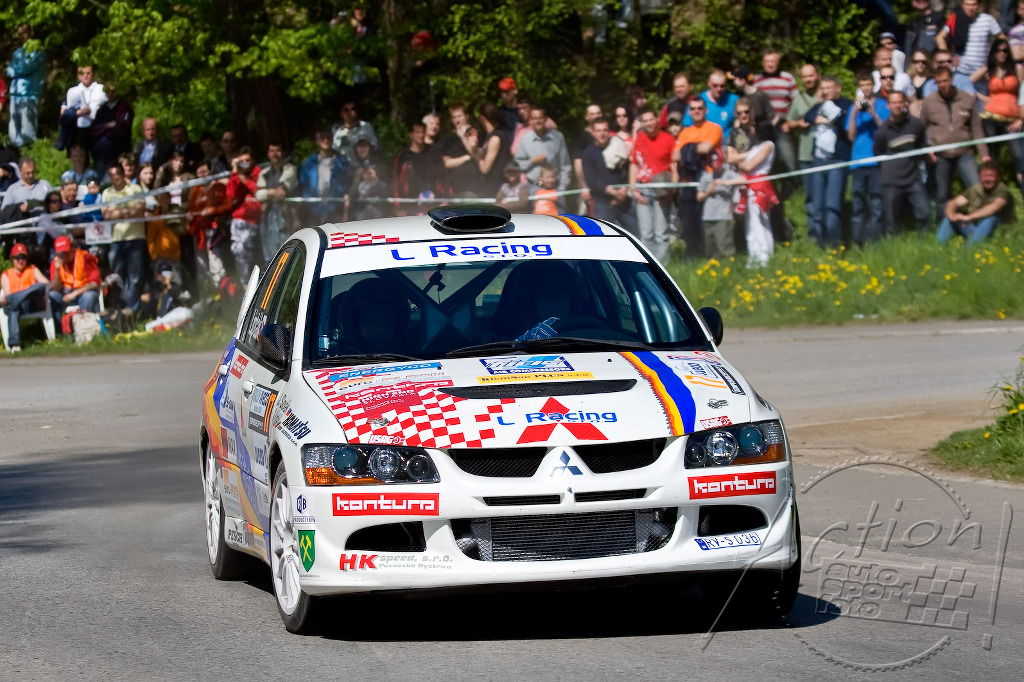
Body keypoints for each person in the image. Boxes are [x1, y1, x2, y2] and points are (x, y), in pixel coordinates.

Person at [920, 66, 989, 221]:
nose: (943, 85)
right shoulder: (929, 102)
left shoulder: (967, 99)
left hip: (964, 152)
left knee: (976, 186)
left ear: (951, 80)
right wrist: (927, 148)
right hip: (941, 155)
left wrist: (984, 154)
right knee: (942, 192)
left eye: (945, 81)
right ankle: (942, 224)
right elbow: (921, 128)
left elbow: (977, 128)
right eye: (939, 82)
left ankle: (978, 219)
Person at [804, 75, 853, 248]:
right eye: (822, 88)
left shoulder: (847, 104)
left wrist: (829, 114)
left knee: (833, 205)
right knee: (818, 204)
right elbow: (808, 116)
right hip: (818, 160)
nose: (825, 91)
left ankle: (833, 244)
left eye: (828, 88)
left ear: (838, 88)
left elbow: (844, 123)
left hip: (837, 160)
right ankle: (819, 243)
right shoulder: (821, 104)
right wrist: (824, 117)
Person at [874, 92, 931, 235]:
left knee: (925, 212)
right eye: (894, 103)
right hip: (891, 181)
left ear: (905, 103)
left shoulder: (916, 124)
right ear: (888, 105)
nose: (898, 106)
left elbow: (920, 146)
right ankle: (893, 245)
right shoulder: (882, 131)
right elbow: (878, 153)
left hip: (913, 178)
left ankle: (924, 241)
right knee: (891, 220)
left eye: (900, 102)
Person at [674, 97, 724, 258]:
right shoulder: (685, 132)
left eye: (700, 108)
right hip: (688, 179)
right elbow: (675, 155)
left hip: (708, 177)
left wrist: (687, 148)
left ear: (705, 110)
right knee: (689, 219)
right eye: (693, 109)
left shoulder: (714, 128)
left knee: (706, 220)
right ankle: (692, 255)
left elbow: (707, 148)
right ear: (689, 112)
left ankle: (710, 254)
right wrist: (695, 148)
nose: (696, 111)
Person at [847, 70, 891, 246]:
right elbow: (851, 136)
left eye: (868, 84)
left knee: (877, 203)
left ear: (873, 85)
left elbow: (886, 131)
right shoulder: (854, 107)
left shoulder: (883, 105)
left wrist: (873, 114)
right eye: (862, 85)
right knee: (858, 203)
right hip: (858, 162)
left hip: (876, 161)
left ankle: (875, 241)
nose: (865, 88)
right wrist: (854, 113)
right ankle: (858, 241)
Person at [629, 107, 677, 262]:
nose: (649, 123)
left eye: (651, 119)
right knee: (646, 234)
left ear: (657, 119)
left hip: (661, 190)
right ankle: (648, 266)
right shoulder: (640, 139)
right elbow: (634, 164)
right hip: (642, 189)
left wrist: (671, 191)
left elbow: (674, 167)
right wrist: (633, 189)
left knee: (661, 233)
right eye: (645, 121)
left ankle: (662, 266)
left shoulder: (668, 139)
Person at [971, 38, 1023, 174]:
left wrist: (1021, 119)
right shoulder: (989, 70)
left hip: (1012, 118)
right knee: (991, 156)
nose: (1002, 53)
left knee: (1019, 156)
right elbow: (968, 81)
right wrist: (979, 96)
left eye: (1005, 50)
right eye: (998, 51)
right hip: (991, 116)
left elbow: (1022, 93)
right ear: (993, 53)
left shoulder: (1017, 69)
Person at [101, 162, 147, 314]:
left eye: (117, 174)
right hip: (116, 240)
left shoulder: (135, 189)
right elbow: (106, 215)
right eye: (112, 175)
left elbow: (139, 210)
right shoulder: (107, 193)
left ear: (123, 174)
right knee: (117, 277)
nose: (115, 177)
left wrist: (117, 212)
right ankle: (119, 309)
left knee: (135, 276)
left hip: (135, 237)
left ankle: (131, 310)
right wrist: (128, 211)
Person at [937, 159, 1014, 244]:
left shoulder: (1003, 190)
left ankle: (971, 248)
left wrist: (969, 217)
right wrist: (951, 215)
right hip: (976, 229)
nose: (987, 179)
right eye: (984, 176)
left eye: (991, 176)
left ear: (998, 177)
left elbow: (994, 207)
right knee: (949, 218)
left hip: (998, 231)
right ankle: (938, 246)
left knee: (990, 219)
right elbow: (953, 203)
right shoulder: (976, 188)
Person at [581, 117, 633, 229]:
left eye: (605, 130)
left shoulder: (618, 148)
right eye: (599, 131)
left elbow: (627, 170)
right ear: (593, 133)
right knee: (603, 234)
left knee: (634, 233)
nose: (602, 134)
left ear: (609, 132)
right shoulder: (587, 153)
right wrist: (614, 193)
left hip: (623, 199)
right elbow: (591, 180)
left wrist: (624, 189)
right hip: (602, 202)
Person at [0, 242, 50, 352]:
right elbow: (7, 294)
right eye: (18, 258)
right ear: (12, 259)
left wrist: (25, 293)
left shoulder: (32, 269)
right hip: (17, 307)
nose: (21, 261)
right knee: (13, 307)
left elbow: (46, 284)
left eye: (23, 258)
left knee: (39, 286)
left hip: (32, 303)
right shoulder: (6, 274)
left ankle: (18, 297)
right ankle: (15, 345)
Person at [787, 63, 821, 217]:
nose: (808, 79)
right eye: (805, 76)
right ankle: (813, 227)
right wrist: (798, 124)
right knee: (810, 194)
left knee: (826, 193)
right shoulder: (799, 99)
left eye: (811, 75)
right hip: (806, 154)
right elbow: (789, 122)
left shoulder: (826, 94)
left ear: (817, 76)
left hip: (827, 154)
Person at [937, 0, 1004, 77]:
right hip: (960, 71)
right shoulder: (955, 18)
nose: (971, 8)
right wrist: (949, 58)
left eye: (974, 5)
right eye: (968, 5)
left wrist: (996, 59)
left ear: (978, 6)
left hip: (982, 72)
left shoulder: (988, 20)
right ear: (963, 5)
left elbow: (1001, 38)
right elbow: (940, 38)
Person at [255, 142, 298, 261]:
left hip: (285, 217)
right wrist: (271, 192)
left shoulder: (290, 169)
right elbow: (258, 195)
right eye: (272, 151)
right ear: (268, 154)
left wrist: (266, 193)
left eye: (278, 151)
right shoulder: (264, 173)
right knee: (269, 257)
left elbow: (281, 193)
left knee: (285, 255)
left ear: (283, 153)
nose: (275, 154)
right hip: (267, 217)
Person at [393, 122, 445, 216]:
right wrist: (399, 207)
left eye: (423, 132)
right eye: (418, 132)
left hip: (433, 203)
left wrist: (445, 200)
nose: (421, 135)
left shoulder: (435, 154)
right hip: (410, 205)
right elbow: (397, 183)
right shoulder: (403, 157)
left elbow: (443, 178)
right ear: (411, 135)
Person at [226, 147, 262, 280]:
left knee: (256, 255)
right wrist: (235, 172)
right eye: (242, 161)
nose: (245, 163)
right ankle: (245, 284)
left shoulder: (258, 173)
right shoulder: (237, 175)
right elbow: (231, 194)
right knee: (240, 253)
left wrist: (244, 179)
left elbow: (258, 190)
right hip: (240, 221)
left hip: (258, 221)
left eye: (248, 160)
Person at [696, 150, 740, 259]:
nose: (717, 167)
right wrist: (708, 192)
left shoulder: (729, 174)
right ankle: (712, 264)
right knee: (709, 246)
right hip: (708, 215)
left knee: (724, 243)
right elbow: (699, 197)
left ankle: (729, 263)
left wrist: (724, 183)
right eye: (714, 164)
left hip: (723, 215)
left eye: (719, 164)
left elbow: (744, 179)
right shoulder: (706, 177)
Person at [6, 24, 45, 147]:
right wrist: (13, 70)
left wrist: (14, 70)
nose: (22, 36)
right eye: (19, 34)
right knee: (14, 130)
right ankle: (15, 153)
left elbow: (26, 68)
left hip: (30, 93)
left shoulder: (38, 51)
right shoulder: (17, 52)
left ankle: (28, 153)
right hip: (15, 93)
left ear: (31, 32)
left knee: (27, 131)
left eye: (24, 33)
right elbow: (9, 70)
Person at [515, 106, 571, 191]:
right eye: (535, 118)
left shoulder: (557, 137)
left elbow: (565, 165)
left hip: (554, 187)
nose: (538, 121)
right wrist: (532, 161)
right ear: (531, 121)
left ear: (545, 119)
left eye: (540, 118)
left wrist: (562, 188)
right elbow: (518, 165)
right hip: (533, 187)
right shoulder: (525, 139)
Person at [48, 235, 101, 321]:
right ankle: (60, 328)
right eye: (61, 253)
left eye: (66, 252)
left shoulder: (85, 258)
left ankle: (84, 325)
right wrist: (57, 270)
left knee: (89, 296)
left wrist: (74, 294)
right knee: (52, 295)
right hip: (65, 296)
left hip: (83, 293)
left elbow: (94, 283)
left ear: (72, 248)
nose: (64, 255)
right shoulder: (55, 263)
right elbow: (56, 288)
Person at [300, 131, 348, 224]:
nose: (326, 140)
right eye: (322, 138)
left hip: (336, 208)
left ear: (332, 140)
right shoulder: (308, 164)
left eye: (328, 138)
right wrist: (308, 200)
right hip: (314, 209)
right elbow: (304, 185)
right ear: (317, 142)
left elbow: (348, 183)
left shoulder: (343, 162)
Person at [91, 83, 134, 178]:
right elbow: (94, 129)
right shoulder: (102, 109)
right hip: (101, 154)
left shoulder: (124, 108)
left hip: (118, 153)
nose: (110, 94)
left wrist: (105, 128)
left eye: (113, 91)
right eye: (108, 91)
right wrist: (107, 126)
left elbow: (121, 129)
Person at [61, 64, 106, 150]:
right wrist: (80, 112)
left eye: (88, 73)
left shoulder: (101, 89)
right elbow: (63, 112)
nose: (85, 76)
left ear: (93, 74)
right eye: (82, 73)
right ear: (78, 75)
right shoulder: (72, 91)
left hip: (96, 129)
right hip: (76, 130)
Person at [441, 102, 483, 197]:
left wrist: (463, 138)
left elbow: (480, 157)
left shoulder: (477, 132)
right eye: (454, 117)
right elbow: (447, 163)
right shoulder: (450, 139)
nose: (457, 120)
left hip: (473, 187)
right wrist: (468, 157)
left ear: (467, 116)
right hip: (454, 189)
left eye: (459, 116)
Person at [570, 103, 603, 213]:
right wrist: (583, 187)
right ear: (586, 117)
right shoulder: (581, 137)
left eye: (598, 113)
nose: (596, 116)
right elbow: (578, 163)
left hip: (605, 185)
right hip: (587, 186)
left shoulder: (607, 135)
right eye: (592, 114)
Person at [476, 102, 513, 197]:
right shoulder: (488, 137)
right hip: (490, 186)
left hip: (495, 188)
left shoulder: (495, 137)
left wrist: (476, 155)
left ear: (482, 118)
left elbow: (485, 168)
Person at [0, 157, 52, 223]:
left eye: (33, 172)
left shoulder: (44, 185)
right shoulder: (12, 189)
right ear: (20, 171)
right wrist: (19, 209)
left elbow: (55, 202)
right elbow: (4, 211)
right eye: (27, 173)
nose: (31, 175)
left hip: (45, 222)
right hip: (23, 225)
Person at [907, 49, 932, 115]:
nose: (920, 64)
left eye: (923, 62)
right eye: (917, 61)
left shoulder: (931, 81)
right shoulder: (908, 79)